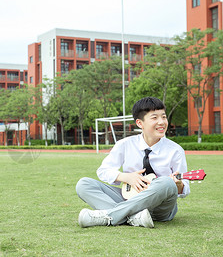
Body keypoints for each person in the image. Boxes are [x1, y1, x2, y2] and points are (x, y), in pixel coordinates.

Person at [76, 97, 190, 228]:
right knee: (83, 184)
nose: (161, 122)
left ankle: (111, 216)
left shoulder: (175, 150)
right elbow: (103, 171)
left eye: (163, 117)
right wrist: (126, 177)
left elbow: (185, 188)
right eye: (154, 118)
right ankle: (134, 218)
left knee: (167, 182)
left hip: (161, 209)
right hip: (129, 197)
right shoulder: (124, 144)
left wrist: (179, 185)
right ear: (140, 123)